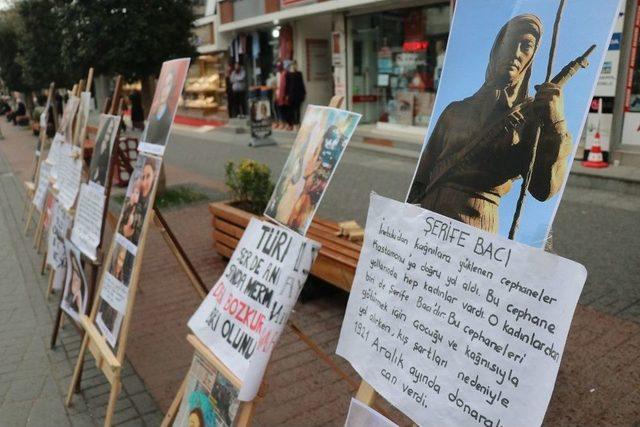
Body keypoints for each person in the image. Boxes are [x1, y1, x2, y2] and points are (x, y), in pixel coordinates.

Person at [407, 15, 572, 234]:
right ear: (496, 49)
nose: (515, 52)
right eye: (509, 42)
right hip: (426, 217)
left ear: (532, 57)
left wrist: (555, 124)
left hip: (475, 226)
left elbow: (543, 189)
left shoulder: (530, 118)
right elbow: (422, 174)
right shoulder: (455, 111)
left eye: (526, 46)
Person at [144, 69, 176, 146]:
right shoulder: (154, 111)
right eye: (163, 84)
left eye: (168, 85)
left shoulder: (168, 118)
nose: (164, 89)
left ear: (171, 88)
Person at [89, 116, 118, 186]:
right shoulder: (98, 145)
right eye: (107, 131)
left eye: (110, 131)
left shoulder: (107, 150)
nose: (109, 133)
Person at [285, 60, 306, 130]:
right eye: (293, 65)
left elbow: (301, 84)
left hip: (298, 95)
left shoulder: (299, 74)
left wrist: (304, 93)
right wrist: (286, 95)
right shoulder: (288, 74)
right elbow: (287, 85)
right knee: (291, 110)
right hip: (291, 95)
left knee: (298, 110)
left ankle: (297, 123)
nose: (294, 66)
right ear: (291, 66)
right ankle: (292, 123)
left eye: (295, 65)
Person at [274, 60, 288, 129]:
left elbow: (286, 85)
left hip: (283, 94)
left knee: (284, 109)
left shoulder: (285, 73)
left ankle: (285, 123)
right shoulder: (277, 74)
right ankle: (280, 122)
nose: (278, 68)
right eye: (277, 67)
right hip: (278, 93)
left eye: (279, 67)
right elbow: (277, 84)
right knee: (278, 109)